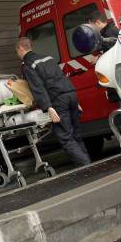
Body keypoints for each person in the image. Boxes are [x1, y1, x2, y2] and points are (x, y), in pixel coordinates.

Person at [15, 37, 91, 166]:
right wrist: (75, 101)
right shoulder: (47, 57)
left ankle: (86, 165)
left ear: (21, 49)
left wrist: (48, 107)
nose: (17, 54)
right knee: (76, 135)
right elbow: (61, 77)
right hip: (70, 94)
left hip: (58, 100)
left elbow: (37, 87)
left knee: (66, 137)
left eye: (16, 51)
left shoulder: (28, 65)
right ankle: (88, 164)